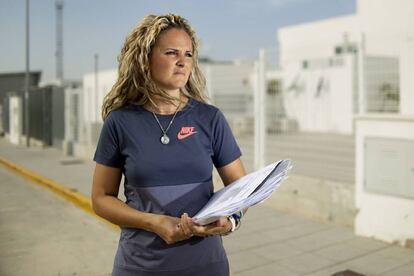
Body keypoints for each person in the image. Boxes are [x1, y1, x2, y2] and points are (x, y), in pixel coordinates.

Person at [92, 13, 246, 276]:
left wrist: (231, 221)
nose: (182, 62)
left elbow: (241, 189)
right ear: (145, 59)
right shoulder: (120, 123)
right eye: (171, 53)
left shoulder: (210, 119)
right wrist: (152, 222)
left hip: (207, 265)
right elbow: (101, 198)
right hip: (140, 267)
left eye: (188, 54)